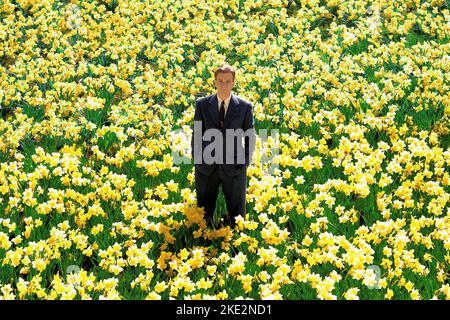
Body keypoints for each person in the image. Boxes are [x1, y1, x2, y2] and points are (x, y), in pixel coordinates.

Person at [191, 63, 256, 230]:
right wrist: (197, 160)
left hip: (235, 167)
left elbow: (250, 136)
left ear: (234, 82)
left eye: (228, 81)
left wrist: (245, 163)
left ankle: (237, 247)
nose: (224, 85)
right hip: (206, 167)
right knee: (203, 215)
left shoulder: (244, 107)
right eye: (220, 81)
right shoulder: (202, 105)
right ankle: (202, 244)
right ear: (215, 82)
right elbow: (196, 134)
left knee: (238, 216)